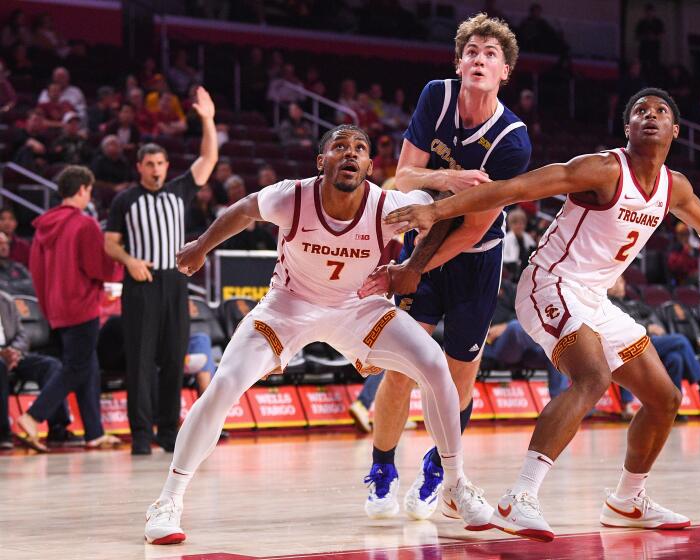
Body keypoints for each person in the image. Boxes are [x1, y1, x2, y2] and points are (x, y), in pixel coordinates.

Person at [383, 87, 700, 540]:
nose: (650, 116)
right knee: (592, 378)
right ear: (628, 128)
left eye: (660, 112)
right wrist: (436, 209)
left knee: (664, 398)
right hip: (549, 282)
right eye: (640, 111)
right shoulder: (601, 169)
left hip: (594, 298)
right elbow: (513, 188)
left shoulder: (674, 187)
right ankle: (518, 497)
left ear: (675, 130)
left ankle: (627, 501)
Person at [143, 124, 494, 545]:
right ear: (321, 161)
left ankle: (454, 481)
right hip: (288, 306)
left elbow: (441, 210)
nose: (351, 153)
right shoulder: (292, 195)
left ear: (368, 165)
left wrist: (414, 265)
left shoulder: (386, 205)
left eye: (360, 148)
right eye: (340, 146)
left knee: (434, 364)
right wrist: (201, 244)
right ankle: (168, 500)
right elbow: (243, 210)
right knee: (224, 386)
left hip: (357, 307)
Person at [357, 14, 531, 523]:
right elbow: (402, 175)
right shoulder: (437, 95)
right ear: (459, 62)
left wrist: (414, 267)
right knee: (400, 369)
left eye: (491, 54)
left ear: (505, 72)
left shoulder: (511, 140)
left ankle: (438, 469)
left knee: (458, 377)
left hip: (474, 259)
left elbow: (473, 229)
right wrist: (450, 178)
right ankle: (382, 470)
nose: (479, 58)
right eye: (471, 51)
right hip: (419, 245)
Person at [104, 86, 218, 456]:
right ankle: (140, 435)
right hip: (142, 283)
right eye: (149, 164)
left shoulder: (179, 190)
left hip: (174, 282)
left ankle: (168, 431)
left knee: (173, 357)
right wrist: (130, 261)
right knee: (140, 361)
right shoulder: (124, 199)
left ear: (167, 166)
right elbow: (110, 243)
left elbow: (208, 159)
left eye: (160, 164)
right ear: (139, 167)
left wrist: (207, 119)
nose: (156, 169)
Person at [18, 165, 121, 451]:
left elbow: (35, 272)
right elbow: (98, 268)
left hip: (56, 308)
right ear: (82, 190)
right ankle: (32, 417)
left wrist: (48, 306)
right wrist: (118, 265)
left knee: (89, 365)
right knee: (77, 367)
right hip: (82, 306)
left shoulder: (42, 227)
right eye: (89, 190)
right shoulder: (84, 223)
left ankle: (94, 432)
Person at [607, 275, 700, 403]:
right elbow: (622, 326)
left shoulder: (632, 303)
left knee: (675, 358)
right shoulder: (608, 304)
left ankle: (673, 406)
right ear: (607, 284)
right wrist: (648, 326)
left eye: (623, 281)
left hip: (647, 341)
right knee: (680, 340)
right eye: (618, 281)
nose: (622, 284)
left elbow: (653, 314)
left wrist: (652, 326)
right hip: (632, 344)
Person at [0, 289, 70, 451]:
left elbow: (22, 335)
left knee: (51, 366)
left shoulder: (6, 300)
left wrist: (15, 351)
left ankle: (58, 428)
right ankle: (3, 433)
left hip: (13, 353)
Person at [502, 207, 535, 282]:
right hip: (511, 274)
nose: (519, 226)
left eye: (522, 223)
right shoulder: (507, 238)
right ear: (510, 224)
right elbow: (504, 259)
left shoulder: (527, 237)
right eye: (515, 223)